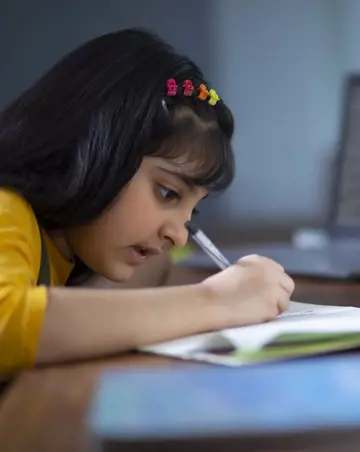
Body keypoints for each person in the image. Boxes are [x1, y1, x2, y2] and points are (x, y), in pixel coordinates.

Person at [0, 28, 294, 380]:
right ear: (98, 147)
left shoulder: (66, 248)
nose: (179, 235)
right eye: (167, 193)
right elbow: (8, 321)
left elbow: (161, 264)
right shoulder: (8, 207)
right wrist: (216, 300)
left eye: (192, 212)